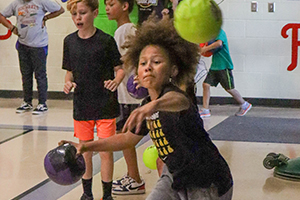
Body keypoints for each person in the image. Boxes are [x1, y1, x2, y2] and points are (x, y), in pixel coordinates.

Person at [60, 16, 233, 200]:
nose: (148, 67)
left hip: (207, 179)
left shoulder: (176, 95)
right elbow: (126, 139)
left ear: (173, 70)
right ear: (138, 73)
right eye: (143, 63)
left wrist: (154, 105)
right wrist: (86, 146)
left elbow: (179, 102)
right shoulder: (146, 107)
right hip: (175, 177)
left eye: (156, 62)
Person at [62, 0, 124, 200]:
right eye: (74, 14)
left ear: (95, 13)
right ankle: (87, 194)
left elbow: (120, 68)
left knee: (106, 151)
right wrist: (67, 83)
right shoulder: (69, 41)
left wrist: (116, 81)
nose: (78, 18)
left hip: (105, 103)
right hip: (82, 104)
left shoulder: (106, 41)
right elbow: (69, 73)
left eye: (82, 13)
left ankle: (107, 195)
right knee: (85, 150)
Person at [105, 0, 145, 195]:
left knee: (124, 136)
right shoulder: (125, 29)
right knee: (123, 134)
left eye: (111, 4)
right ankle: (133, 176)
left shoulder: (125, 30)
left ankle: (135, 178)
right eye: (105, 4)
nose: (107, 8)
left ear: (125, 6)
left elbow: (127, 60)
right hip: (125, 95)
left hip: (129, 97)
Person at [0, 0, 64, 114]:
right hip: (23, 43)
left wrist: (46, 18)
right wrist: (12, 28)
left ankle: (42, 103)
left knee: (40, 75)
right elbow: (1, 15)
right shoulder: (16, 4)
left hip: (39, 44)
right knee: (26, 74)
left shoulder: (42, 1)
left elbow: (60, 10)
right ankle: (27, 101)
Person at [199, 29, 252, 118]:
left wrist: (205, 49)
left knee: (229, 88)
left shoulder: (220, 32)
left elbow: (219, 43)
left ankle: (244, 104)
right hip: (215, 66)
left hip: (224, 65)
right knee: (205, 85)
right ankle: (205, 110)